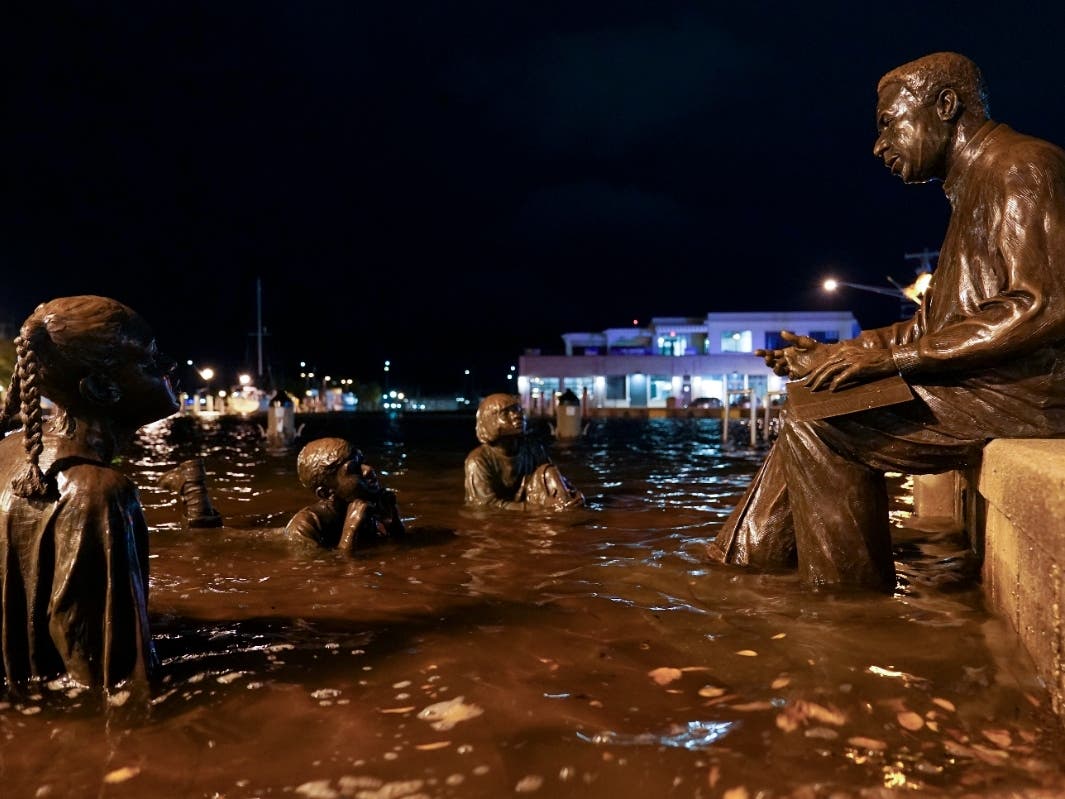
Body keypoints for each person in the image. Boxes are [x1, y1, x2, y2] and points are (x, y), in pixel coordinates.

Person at [707, 52, 1065, 592]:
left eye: (887, 124)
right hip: (990, 383)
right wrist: (837, 354)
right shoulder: (974, 186)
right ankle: (742, 564)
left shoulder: (1021, 167)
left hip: (1024, 392)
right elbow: (932, 327)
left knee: (823, 423)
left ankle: (849, 604)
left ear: (945, 106)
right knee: (812, 397)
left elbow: (1041, 306)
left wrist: (890, 359)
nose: (879, 146)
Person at [0, 295, 179, 693]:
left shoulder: (8, 450)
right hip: (49, 713)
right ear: (101, 387)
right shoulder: (96, 491)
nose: (170, 368)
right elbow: (107, 674)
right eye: (150, 362)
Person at [464, 393, 585, 510]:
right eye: (506, 413)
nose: (517, 415)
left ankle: (567, 506)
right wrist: (536, 509)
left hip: (531, 498)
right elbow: (485, 505)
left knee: (548, 470)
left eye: (517, 410)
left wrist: (573, 493)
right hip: (510, 512)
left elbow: (554, 478)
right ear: (489, 420)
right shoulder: (478, 460)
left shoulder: (532, 448)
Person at [286, 437, 405, 551]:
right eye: (353, 469)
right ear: (325, 492)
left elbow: (400, 548)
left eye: (362, 462)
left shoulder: (366, 506)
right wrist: (351, 530)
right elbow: (331, 567)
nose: (368, 469)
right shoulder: (304, 526)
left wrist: (392, 522)